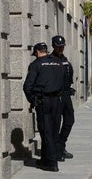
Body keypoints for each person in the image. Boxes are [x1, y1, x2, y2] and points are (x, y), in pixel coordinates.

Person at [23, 42, 64, 172]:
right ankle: (45, 159)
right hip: (57, 101)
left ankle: (52, 163)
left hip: (43, 101)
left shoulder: (36, 64)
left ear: (37, 52)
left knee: (46, 132)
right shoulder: (59, 63)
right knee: (53, 131)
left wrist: (33, 100)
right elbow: (64, 81)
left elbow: (27, 86)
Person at [51, 35, 75, 160]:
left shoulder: (64, 59)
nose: (60, 49)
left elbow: (68, 75)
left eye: (62, 46)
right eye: (58, 47)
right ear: (53, 46)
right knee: (56, 124)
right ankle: (56, 150)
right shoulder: (50, 60)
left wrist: (69, 87)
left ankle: (60, 146)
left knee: (69, 120)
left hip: (66, 95)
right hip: (56, 96)